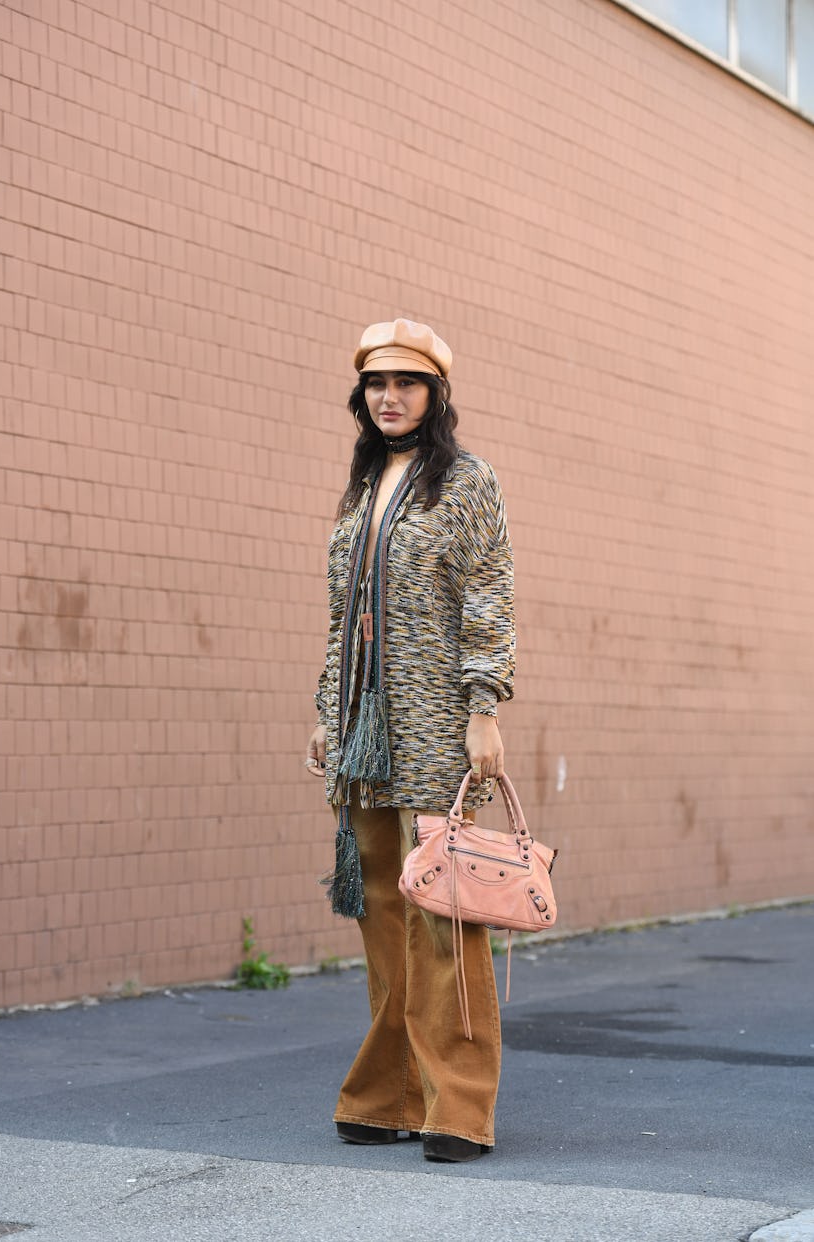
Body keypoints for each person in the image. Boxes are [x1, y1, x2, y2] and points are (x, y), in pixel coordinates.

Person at [305, 318, 515, 1163]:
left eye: (407, 383)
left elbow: (490, 592)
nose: (390, 397)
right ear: (362, 396)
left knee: (441, 915)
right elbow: (340, 618)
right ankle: (389, 1095)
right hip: (361, 738)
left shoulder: (465, 483)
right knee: (384, 917)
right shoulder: (360, 488)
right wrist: (326, 707)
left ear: (436, 395)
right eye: (376, 384)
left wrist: (485, 705)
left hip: (434, 731)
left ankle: (458, 1107)